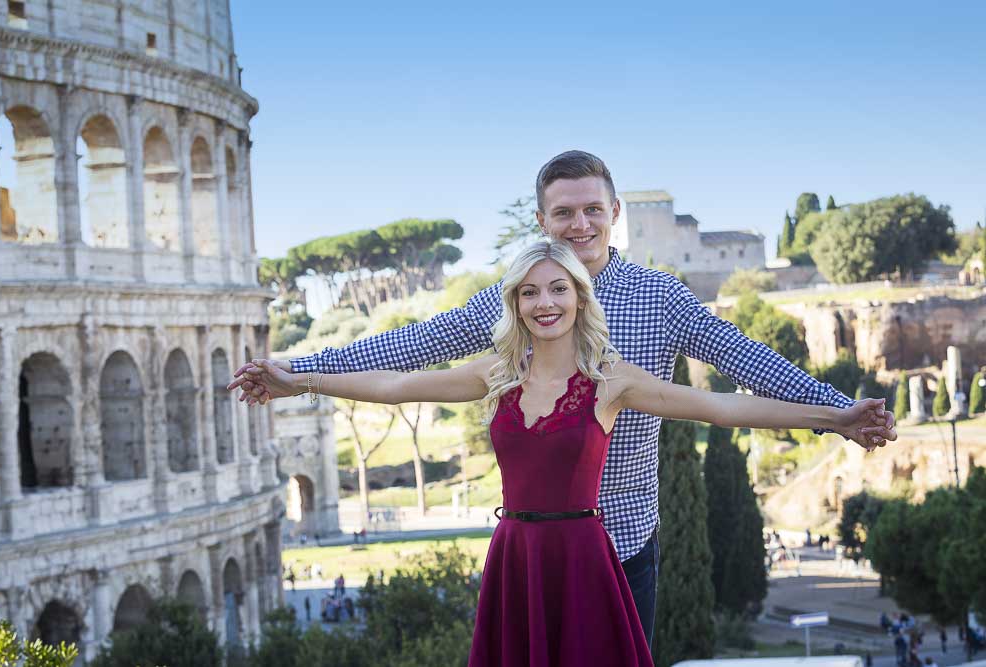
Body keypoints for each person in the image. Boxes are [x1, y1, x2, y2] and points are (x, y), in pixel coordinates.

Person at [229, 150, 897, 651]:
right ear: (542, 218)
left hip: (624, 544)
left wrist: (834, 411)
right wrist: (299, 371)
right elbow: (404, 357)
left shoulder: (657, 303)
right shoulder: (511, 314)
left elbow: (736, 376)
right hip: (525, 556)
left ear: (613, 215)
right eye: (563, 213)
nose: (579, 225)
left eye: (592, 210)